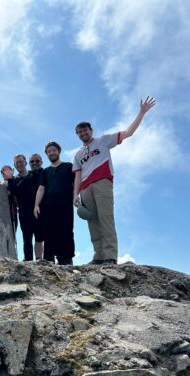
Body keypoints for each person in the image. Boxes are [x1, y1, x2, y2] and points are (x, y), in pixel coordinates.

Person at [73, 97, 156, 265]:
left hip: (102, 183)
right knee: (92, 223)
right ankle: (99, 256)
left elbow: (128, 133)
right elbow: (77, 175)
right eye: (80, 132)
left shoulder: (103, 141)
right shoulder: (78, 154)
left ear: (91, 130)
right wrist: (75, 195)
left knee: (106, 218)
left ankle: (110, 256)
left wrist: (141, 112)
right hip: (85, 189)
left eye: (85, 130)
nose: (83, 133)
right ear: (77, 135)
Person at [34, 141, 75, 264]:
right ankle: (49, 262)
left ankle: (66, 261)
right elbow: (41, 188)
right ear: (47, 154)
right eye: (49, 151)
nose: (51, 153)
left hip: (65, 205)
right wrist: (36, 205)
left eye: (53, 150)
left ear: (59, 151)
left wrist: (76, 196)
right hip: (48, 207)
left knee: (66, 232)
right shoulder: (45, 171)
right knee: (49, 235)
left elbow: (76, 183)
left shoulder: (68, 166)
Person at [4, 154, 44, 261]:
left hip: (37, 209)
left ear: (26, 163)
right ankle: (28, 260)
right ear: (15, 166)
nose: (20, 164)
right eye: (17, 163)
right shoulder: (14, 179)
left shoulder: (35, 174)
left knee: (39, 237)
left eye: (21, 162)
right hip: (23, 212)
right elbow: (14, 192)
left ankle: (40, 260)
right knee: (27, 238)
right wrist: (10, 178)